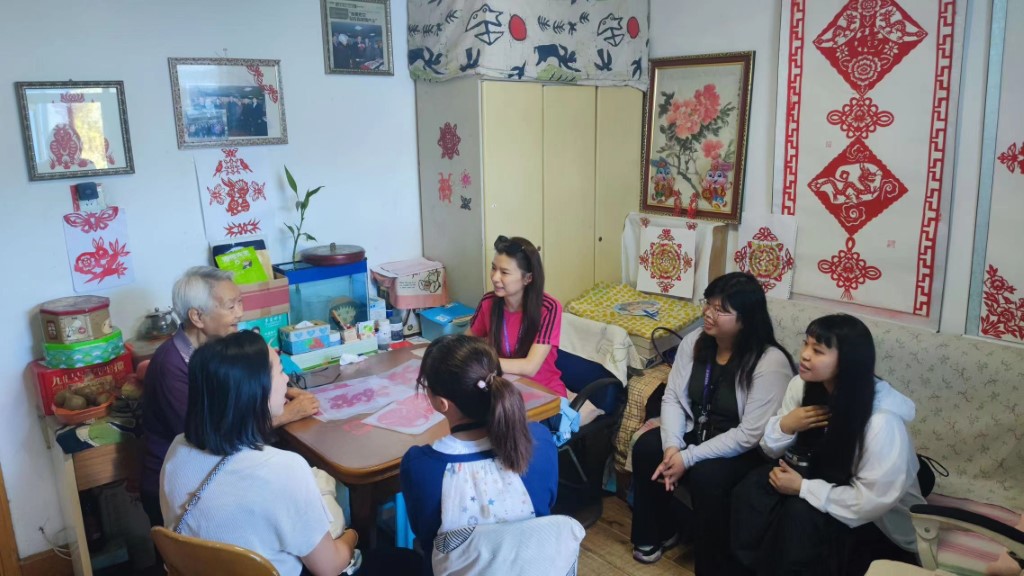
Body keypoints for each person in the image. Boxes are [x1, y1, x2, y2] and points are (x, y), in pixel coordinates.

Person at [731, 314, 925, 576]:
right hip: (821, 480)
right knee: (753, 488)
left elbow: (870, 503)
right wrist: (787, 425)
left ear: (848, 361)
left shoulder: (881, 422)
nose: (805, 355)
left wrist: (803, 488)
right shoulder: (801, 385)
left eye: (818, 350)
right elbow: (770, 449)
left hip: (875, 523)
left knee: (799, 515)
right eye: (806, 344)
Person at [630, 272, 795, 573]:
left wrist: (688, 457)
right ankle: (659, 532)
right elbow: (673, 397)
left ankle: (713, 564)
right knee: (647, 448)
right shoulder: (696, 341)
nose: (708, 313)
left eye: (721, 310)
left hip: (744, 449)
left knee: (708, 476)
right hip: (698, 430)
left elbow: (749, 434)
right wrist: (672, 448)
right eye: (709, 304)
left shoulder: (769, 362)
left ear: (745, 319)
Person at [160, 331, 357, 576]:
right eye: (280, 371)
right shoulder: (283, 469)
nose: (287, 379)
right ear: (256, 389)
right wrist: (352, 535)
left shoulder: (177, 451)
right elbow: (328, 567)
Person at [141, 266, 319, 528]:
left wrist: (278, 390)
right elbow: (208, 436)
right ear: (197, 316)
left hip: (216, 470)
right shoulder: (171, 365)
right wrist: (287, 414)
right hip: (184, 488)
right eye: (230, 306)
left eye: (240, 303)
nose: (240, 313)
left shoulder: (214, 352)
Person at [400, 334, 558, 576]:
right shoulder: (539, 440)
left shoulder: (420, 466)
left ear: (441, 403)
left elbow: (424, 534)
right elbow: (546, 504)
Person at [466, 235, 567, 397]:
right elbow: (466, 344)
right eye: (493, 268)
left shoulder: (549, 308)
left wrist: (483, 362)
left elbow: (530, 367)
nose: (495, 277)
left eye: (504, 272)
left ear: (527, 278)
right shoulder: (488, 302)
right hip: (503, 389)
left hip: (543, 392)